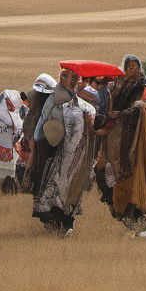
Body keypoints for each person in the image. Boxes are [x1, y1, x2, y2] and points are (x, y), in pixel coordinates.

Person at [95, 55, 146, 238]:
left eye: (135, 66)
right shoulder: (118, 84)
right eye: (129, 66)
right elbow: (111, 102)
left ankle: (138, 221)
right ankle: (125, 215)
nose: (132, 69)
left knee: (133, 176)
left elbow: (138, 106)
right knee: (106, 171)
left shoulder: (143, 85)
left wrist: (120, 114)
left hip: (135, 134)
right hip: (115, 133)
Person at [32, 67, 96, 236]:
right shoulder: (59, 98)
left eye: (76, 77)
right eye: (69, 77)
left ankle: (64, 223)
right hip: (57, 148)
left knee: (66, 186)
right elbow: (47, 123)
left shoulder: (73, 98)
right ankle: (63, 223)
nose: (74, 80)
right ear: (62, 77)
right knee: (59, 186)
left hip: (70, 150)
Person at [20, 74, 56, 194]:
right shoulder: (50, 102)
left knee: (34, 157)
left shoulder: (34, 100)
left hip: (39, 131)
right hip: (42, 133)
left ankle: (29, 185)